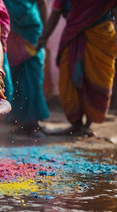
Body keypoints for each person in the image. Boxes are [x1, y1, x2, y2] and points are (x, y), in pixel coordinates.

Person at [37, 0, 117, 136]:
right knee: (68, 77)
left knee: (97, 78)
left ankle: (88, 124)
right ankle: (77, 124)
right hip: (73, 33)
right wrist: (43, 38)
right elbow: (57, 10)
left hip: (100, 34)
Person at [3, 0, 50, 137]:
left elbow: (41, 3)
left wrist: (45, 33)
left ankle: (32, 123)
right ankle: (20, 120)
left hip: (31, 32)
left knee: (32, 78)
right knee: (15, 77)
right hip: (12, 33)